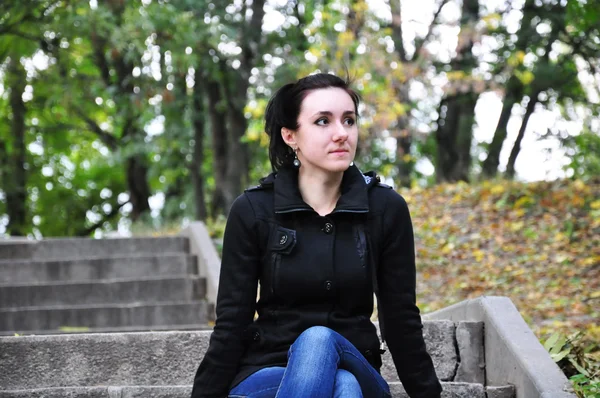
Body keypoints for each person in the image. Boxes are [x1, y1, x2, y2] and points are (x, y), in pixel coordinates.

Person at [190, 73, 442, 398]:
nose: (341, 133)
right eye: (323, 121)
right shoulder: (254, 210)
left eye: (349, 120)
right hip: (268, 370)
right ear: (290, 135)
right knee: (344, 388)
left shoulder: (384, 208)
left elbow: (400, 317)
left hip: (357, 364)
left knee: (322, 343)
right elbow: (232, 322)